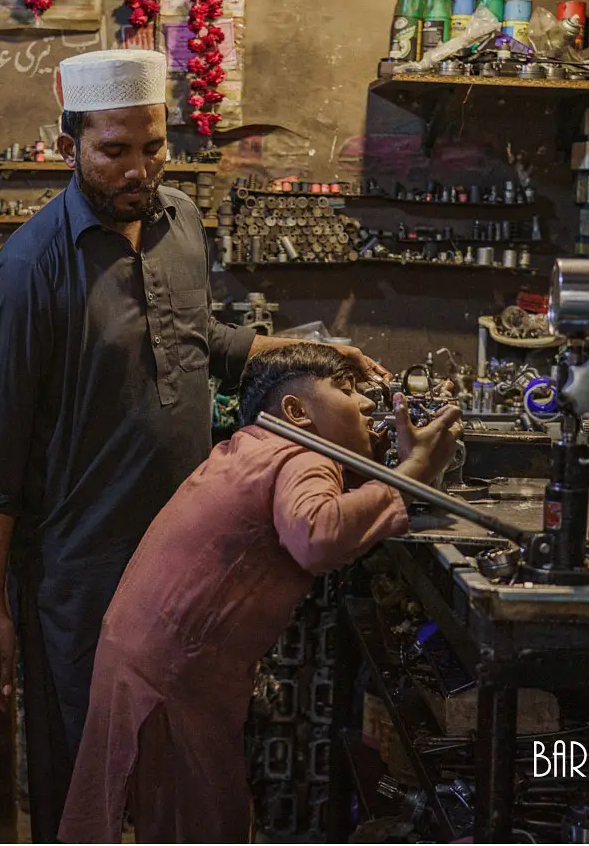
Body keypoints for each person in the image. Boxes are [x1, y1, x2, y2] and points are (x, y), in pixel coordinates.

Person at [0, 49, 390, 841]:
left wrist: (309, 351)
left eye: (153, 146)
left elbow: (202, 341)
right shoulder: (32, 269)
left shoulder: (182, 223)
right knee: (86, 776)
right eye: (114, 149)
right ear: (69, 148)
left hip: (184, 560)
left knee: (179, 775)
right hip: (79, 570)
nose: (139, 167)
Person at [59, 343, 463, 842]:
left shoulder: (252, 445)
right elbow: (317, 535)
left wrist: (400, 465)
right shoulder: (301, 456)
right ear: (295, 412)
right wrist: (416, 470)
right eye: (345, 388)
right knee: (203, 825)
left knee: (179, 815)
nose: (364, 404)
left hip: (145, 653)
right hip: (173, 672)